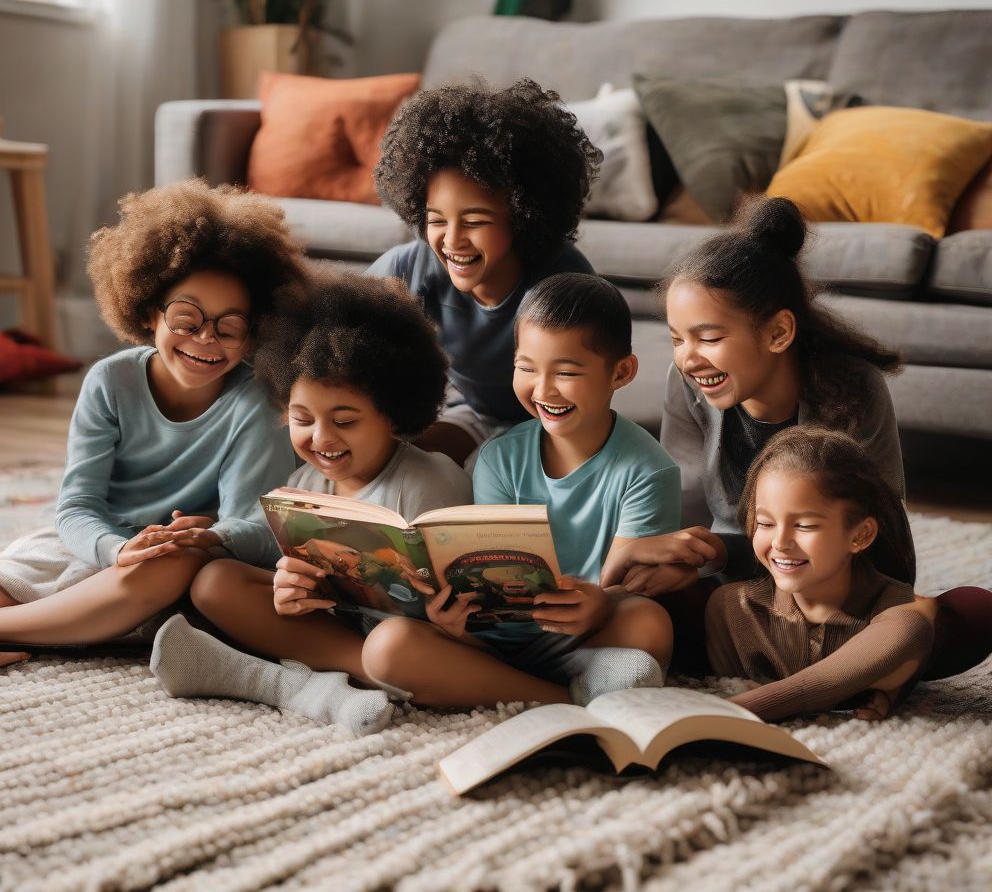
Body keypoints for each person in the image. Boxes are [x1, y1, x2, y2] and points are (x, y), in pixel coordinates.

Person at [0, 180, 304, 674]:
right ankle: (36, 622)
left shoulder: (256, 402)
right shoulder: (110, 379)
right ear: (150, 313)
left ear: (253, 332)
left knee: (172, 561)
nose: (205, 339)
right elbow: (77, 508)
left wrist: (212, 538)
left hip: (167, 567)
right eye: (187, 319)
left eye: (229, 327)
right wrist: (116, 548)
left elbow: (255, 529)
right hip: (94, 543)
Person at [150, 273, 474, 735]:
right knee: (215, 581)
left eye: (344, 421)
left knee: (394, 645)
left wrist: (450, 625)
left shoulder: (430, 481)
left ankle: (291, 679)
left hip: (426, 645)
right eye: (302, 419)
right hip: (347, 637)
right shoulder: (305, 482)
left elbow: (474, 605)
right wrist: (292, 591)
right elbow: (306, 585)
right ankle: (350, 678)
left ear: (394, 415)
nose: (321, 439)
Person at [601, 196, 906, 665]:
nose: (688, 358)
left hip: (840, 595)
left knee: (957, 616)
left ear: (779, 333)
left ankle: (827, 659)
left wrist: (720, 554)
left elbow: (875, 544)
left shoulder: (853, 390)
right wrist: (677, 558)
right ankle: (812, 662)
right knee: (635, 608)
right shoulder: (687, 384)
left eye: (709, 338)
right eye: (677, 339)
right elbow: (684, 511)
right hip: (738, 588)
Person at [359, 273, 681, 708]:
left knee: (649, 622)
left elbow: (634, 583)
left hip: (584, 636)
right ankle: (565, 701)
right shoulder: (499, 458)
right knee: (387, 648)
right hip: (491, 642)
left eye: (566, 372)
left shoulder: (648, 469)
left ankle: (564, 682)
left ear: (621, 372)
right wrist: (453, 623)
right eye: (526, 368)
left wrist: (603, 604)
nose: (543, 389)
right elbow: (486, 574)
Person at [367, 78, 602, 465]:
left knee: (487, 471)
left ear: (524, 218)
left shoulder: (564, 283)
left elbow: (585, 393)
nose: (452, 240)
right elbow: (338, 332)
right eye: (436, 220)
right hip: (470, 411)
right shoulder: (408, 267)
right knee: (400, 461)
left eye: (475, 222)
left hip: (552, 422)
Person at [706, 425, 992, 722]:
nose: (780, 542)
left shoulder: (898, 617)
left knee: (946, 615)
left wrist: (731, 712)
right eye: (765, 524)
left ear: (861, 535)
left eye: (805, 526)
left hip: (909, 626)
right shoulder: (732, 609)